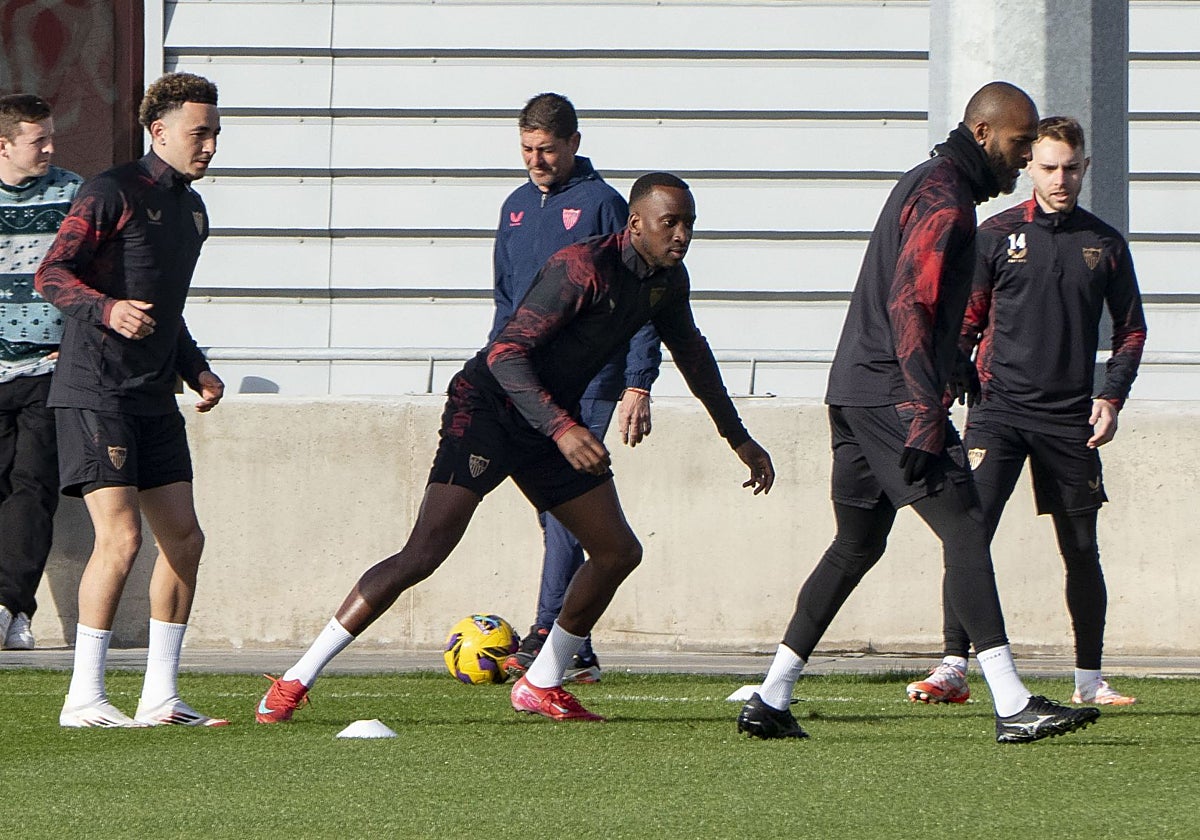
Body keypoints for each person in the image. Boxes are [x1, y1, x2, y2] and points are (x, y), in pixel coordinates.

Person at [257, 173, 775, 725]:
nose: (682, 235)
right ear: (635, 223)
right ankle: (293, 681)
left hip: (548, 423)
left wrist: (738, 439)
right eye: (670, 222)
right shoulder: (582, 267)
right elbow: (506, 354)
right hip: (489, 409)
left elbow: (694, 356)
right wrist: (562, 428)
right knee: (424, 553)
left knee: (618, 551)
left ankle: (542, 682)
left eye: (689, 223)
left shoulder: (666, 281)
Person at [737, 82, 1100, 744]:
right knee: (964, 525)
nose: (1024, 161)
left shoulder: (924, 181)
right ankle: (1013, 703)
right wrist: (926, 406)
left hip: (853, 390)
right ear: (984, 134)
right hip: (891, 395)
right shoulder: (948, 200)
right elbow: (910, 303)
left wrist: (952, 366)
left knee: (856, 543)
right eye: (1020, 146)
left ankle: (771, 694)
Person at [905, 116, 1147, 708]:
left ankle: (1089, 679)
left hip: (1070, 421)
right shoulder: (996, 235)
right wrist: (939, 397)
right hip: (998, 414)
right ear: (1030, 170)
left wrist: (1110, 398)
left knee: (1081, 547)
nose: (1060, 179)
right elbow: (964, 322)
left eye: (1070, 167)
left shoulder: (1106, 244)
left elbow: (1132, 330)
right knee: (969, 534)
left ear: (1085, 168)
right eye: (1047, 167)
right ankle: (952, 667)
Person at [35, 72, 227, 728]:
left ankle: (160, 697)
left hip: (152, 396)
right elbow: (51, 274)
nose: (209, 146)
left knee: (186, 540)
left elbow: (168, 311)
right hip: (94, 390)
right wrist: (108, 309)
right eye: (199, 133)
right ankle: (83, 697)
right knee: (119, 537)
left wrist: (197, 369)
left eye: (215, 135)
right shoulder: (112, 190)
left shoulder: (194, 211)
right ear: (160, 131)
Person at [492, 93, 661, 685]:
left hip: (591, 382)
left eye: (547, 149)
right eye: (527, 149)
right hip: (529, 384)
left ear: (574, 145)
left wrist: (639, 382)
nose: (536, 160)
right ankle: (577, 646)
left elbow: (642, 302)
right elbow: (506, 302)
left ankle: (546, 634)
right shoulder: (514, 207)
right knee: (550, 509)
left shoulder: (605, 206)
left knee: (569, 508)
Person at [0, 94, 82, 650]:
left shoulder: (74, 193)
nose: (50, 148)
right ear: (3, 145)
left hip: (49, 368)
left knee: (33, 486)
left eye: (51, 136)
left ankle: (10, 608)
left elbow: (100, 270)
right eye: (38, 140)